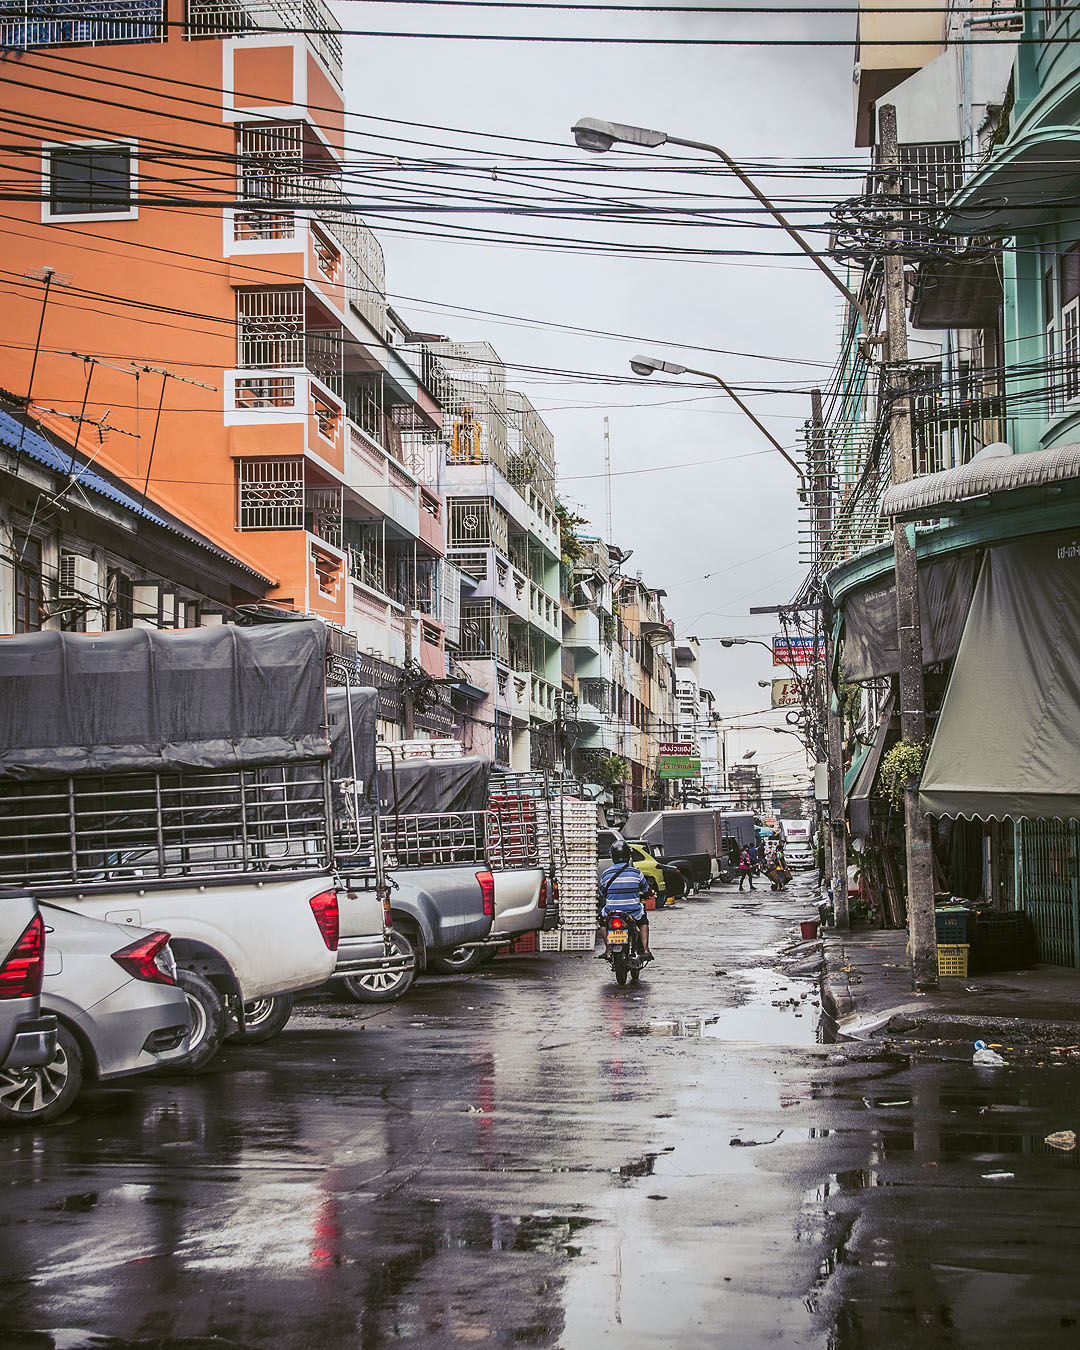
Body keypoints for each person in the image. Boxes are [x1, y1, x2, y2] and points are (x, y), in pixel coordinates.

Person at [598, 839, 653, 961]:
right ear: (628, 856)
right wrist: (650, 893)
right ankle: (645, 949)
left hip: (612, 912)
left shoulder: (606, 874)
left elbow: (601, 892)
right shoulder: (636, 873)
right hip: (633, 912)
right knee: (643, 921)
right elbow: (646, 889)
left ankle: (608, 950)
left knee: (602, 922)